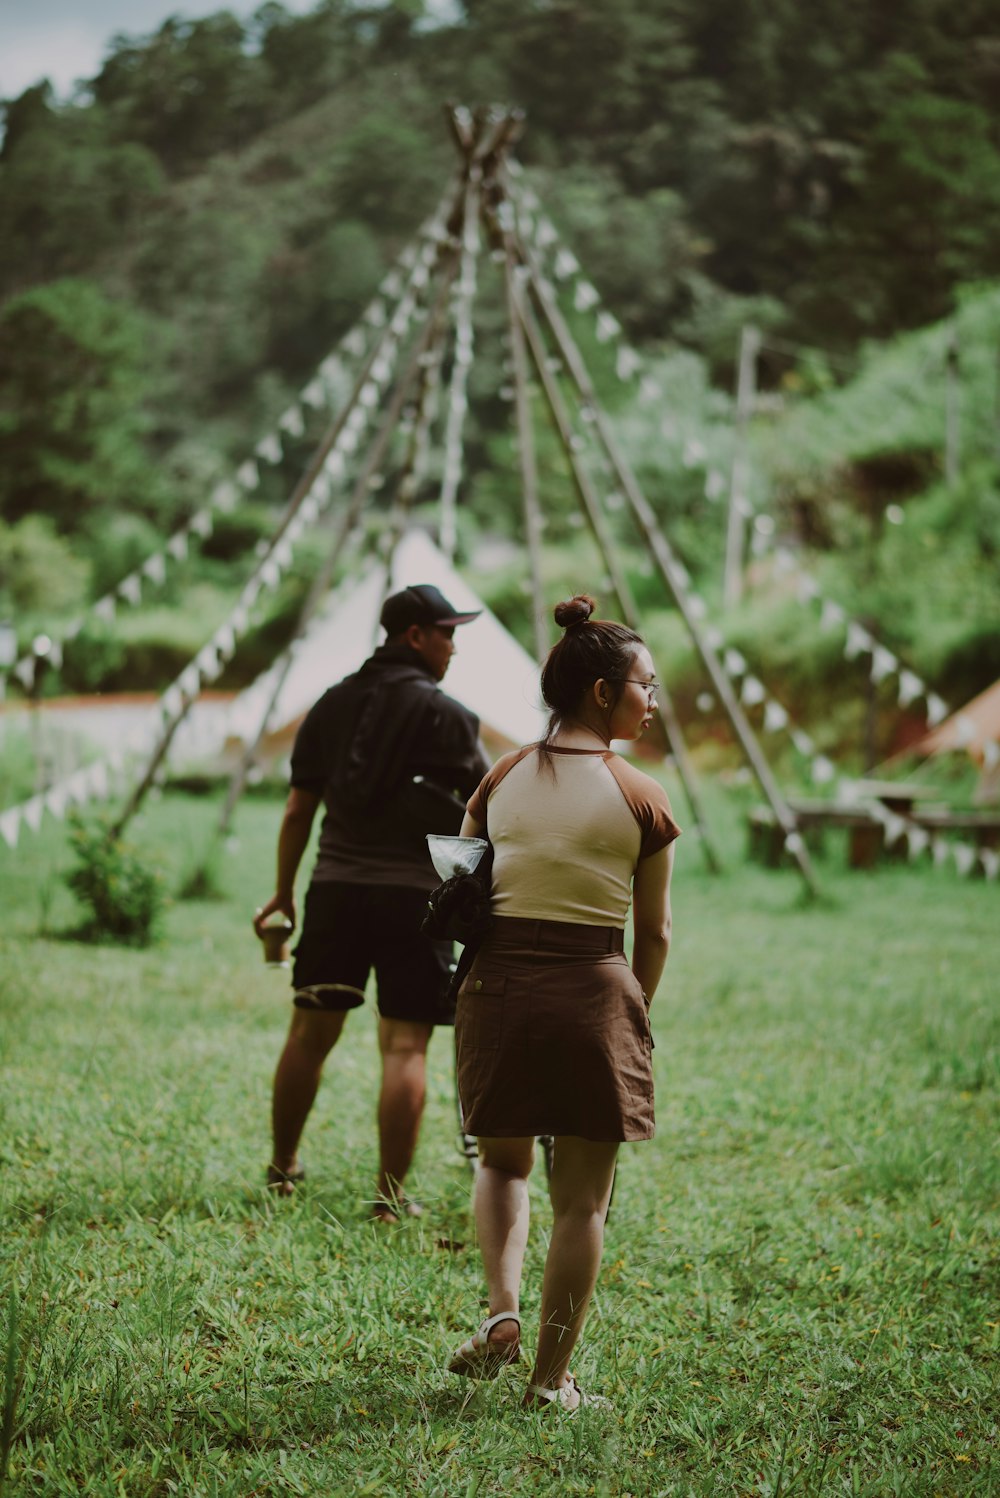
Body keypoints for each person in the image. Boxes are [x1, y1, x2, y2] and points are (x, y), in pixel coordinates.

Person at [446, 594, 680, 1410]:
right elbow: (654, 934)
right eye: (647, 685)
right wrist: (630, 1014)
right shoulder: (642, 795)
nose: (655, 702)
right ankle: (550, 1383)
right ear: (604, 693)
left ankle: (502, 1316)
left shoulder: (501, 773)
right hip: (594, 989)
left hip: (495, 988)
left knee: (503, 1162)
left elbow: (459, 886)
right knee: (583, 1198)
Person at [253, 582, 490, 1219]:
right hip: (417, 901)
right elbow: (485, 812)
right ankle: (387, 1200)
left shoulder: (330, 704)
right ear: (415, 635)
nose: (453, 648)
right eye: (447, 634)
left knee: (308, 1032)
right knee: (406, 1047)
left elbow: (299, 807)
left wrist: (283, 891)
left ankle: (281, 1169)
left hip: (335, 891)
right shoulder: (450, 715)